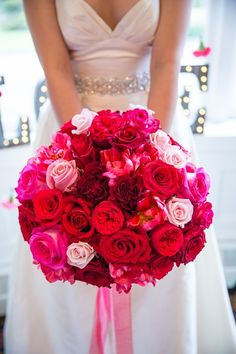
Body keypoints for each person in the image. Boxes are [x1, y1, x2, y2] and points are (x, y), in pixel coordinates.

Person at [4, 1, 236, 353]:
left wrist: (151, 154)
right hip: (71, 127)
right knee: (73, 253)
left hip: (156, 121)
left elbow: (166, 63)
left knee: (159, 249)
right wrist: (85, 161)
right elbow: (56, 69)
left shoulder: (155, 137)